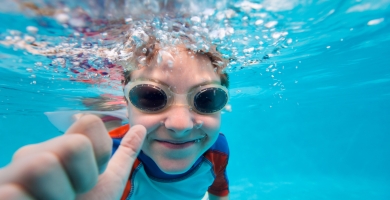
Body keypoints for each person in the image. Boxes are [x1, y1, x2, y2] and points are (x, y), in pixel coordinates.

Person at [0, 35, 231, 199]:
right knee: (95, 127)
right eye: (150, 96)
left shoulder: (216, 149)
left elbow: (218, 190)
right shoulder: (107, 167)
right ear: (126, 98)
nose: (179, 125)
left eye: (207, 98)